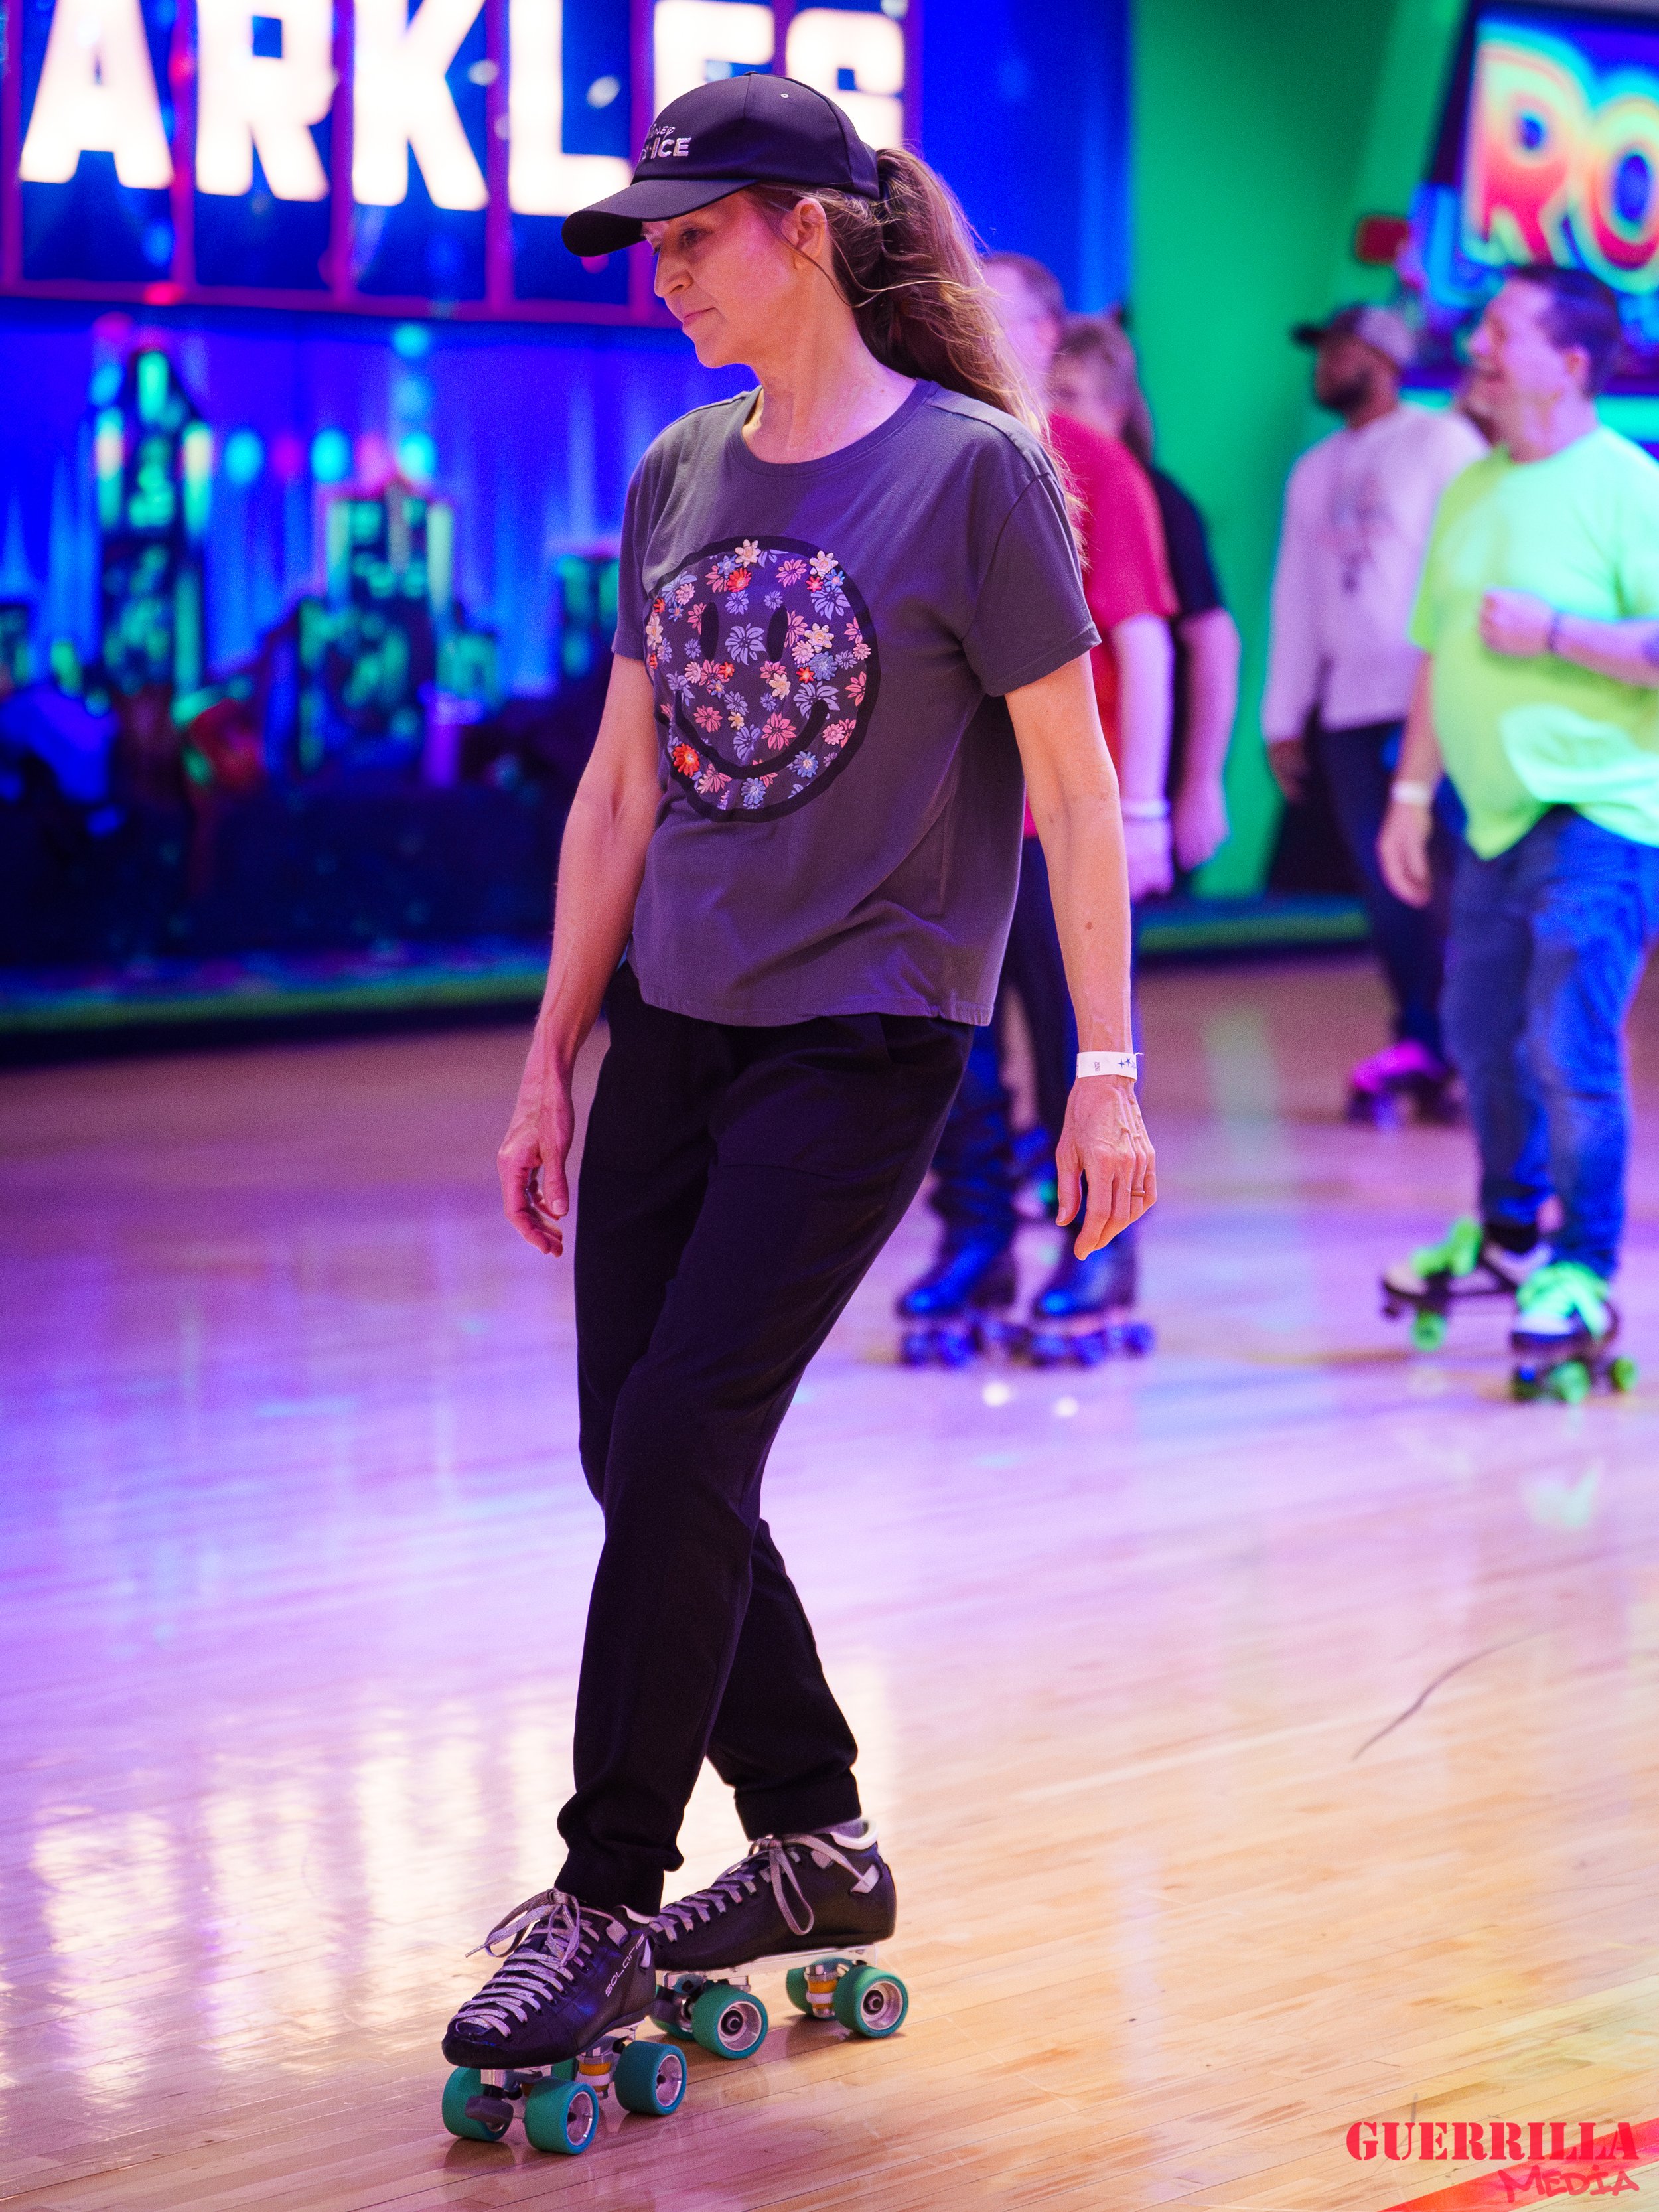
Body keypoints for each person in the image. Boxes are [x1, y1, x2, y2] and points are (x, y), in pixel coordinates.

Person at [438, 73, 1155, 2088]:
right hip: (675, 1022)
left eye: (688, 232)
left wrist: (1100, 1069)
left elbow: (1074, 797)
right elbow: (615, 790)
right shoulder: (678, 473)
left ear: (805, 231)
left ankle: (599, 1894)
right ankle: (816, 1833)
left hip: (863, 1036)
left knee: (681, 1429)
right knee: (634, 1449)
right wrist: (544, 1061)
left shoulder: (976, 474)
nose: (658, 268)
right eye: (648, 239)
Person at [1379, 263, 1659, 1384]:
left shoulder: (1626, 485)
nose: (1478, 349)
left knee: (1567, 1042)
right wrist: (1410, 792)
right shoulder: (1472, 487)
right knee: (1481, 1037)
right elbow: (1440, 647)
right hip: (1487, 821)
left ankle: (1584, 1266)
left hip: (1601, 814)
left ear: (1571, 365)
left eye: (1500, 332)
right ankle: (1509, 1238)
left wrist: (1554, 632)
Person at [895, 251, 1175, 1360]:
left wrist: (1150, 806)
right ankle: (974, 1238)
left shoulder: (1091, 461)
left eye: (992, 316)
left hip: (1063, 821)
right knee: (948, 1059)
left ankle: (1097, 1244)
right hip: (946, 829)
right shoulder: (921, 459)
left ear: (1046, 339)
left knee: (1083, 1048)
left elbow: (1147, 644)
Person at [1263, 303, 1486, 1121]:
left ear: (1384, 358)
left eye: (1338, 349)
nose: (1323, 364)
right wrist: (1283, 716)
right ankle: (1421, 1039)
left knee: (1455, 877)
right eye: (1319, 351)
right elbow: (1294, 596)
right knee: (1386, 884)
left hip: (1432, 699)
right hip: (1348, 711)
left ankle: (1477, 1044)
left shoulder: (1441, 444)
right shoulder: (1314, 469)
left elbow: (1470, 572)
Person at [1049, 313, 1240, 882]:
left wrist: (1197, 783)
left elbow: (1214, 643)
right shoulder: (1037, 491)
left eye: (1069, 396)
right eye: (1044, 394)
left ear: (1115, 411)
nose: (1054, 413)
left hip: (1140, 769)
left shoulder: (1155, 500)